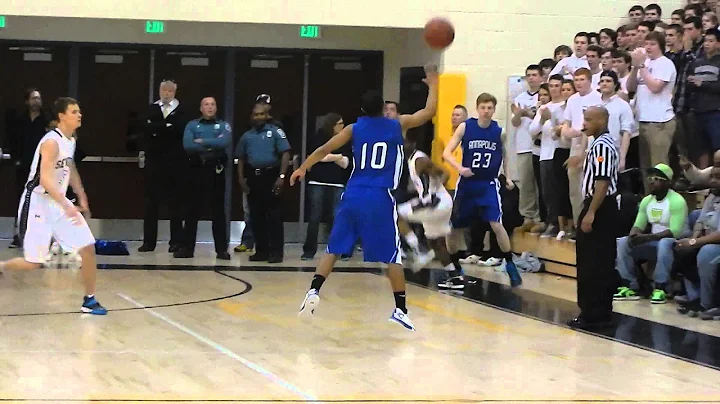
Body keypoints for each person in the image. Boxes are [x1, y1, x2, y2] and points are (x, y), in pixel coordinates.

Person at [291, 65, 439, 331]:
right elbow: (427, 113)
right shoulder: (397, 124)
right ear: (383, 107)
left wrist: (303, 167)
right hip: (380, 196)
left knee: (334, 248)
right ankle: (401, 309)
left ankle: (313, 291)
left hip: (353, 193)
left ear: (361, 110)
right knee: (392, 255)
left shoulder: (353, 129)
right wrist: (434, 84)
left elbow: (324, 148)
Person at [0, 97, 106, 315]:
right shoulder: (51, 141)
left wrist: (81, 194)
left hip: (58, 203)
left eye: (79, 111)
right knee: (33, 263)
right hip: (38, 203)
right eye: (74, 111)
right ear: (61, 116)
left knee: (88, 247)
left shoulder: (70, 140)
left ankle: (90, 299)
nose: (79, 115)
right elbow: (45, 181)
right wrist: (67, 204)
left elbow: (70, 167)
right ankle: (1, 267)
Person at [442, 93, 523, 287]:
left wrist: (508, 176)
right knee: (453, 228)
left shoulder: (499, 131)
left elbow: (505, 156)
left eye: (490, 108)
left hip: (488, 184)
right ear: (477, 109)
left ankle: (509, 263)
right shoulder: (465, 127)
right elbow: (446, 153)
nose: (486, 111)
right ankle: (454, 267)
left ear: (494, 110)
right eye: (483, 108)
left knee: (496, 224)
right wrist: (459, 168)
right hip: (467, 184)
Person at [568, 106, 619, 330]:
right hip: (598, 205)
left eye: (589, 119)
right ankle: (597, 311)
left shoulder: (603, 146)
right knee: (595, 260)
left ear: (601, 120)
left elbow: (603, 181)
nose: (584, 124)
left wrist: (591, 212)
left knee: (593, 262)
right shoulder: (597, 144)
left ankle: (593, 313)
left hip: (600, 207)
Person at [396, 135, 465, 290]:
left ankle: (418, 251)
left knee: (396, 214)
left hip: (436, 203)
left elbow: (435, 176)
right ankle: (455, 278)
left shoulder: (419, 159)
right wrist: (431, 190)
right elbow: (445, 173)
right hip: (441, 202)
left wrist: (430, 195)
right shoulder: (413, 160)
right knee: (436, 243)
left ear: (411, 143)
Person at [614, 164, 688, 303]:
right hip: (653, 243)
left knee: (665, 243)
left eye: (656, 178)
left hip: (676, 245)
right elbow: (638, 225)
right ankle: (631, 286)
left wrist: (647, 237)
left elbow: (675, 232)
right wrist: (634, 235)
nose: (651, 182)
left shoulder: (677, 201)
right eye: (649, 178)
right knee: (623, 242)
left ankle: (661, 287)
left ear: (667, 182)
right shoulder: (647, 201)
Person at [235, 102, 291, 263]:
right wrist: (241, 178)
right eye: (255, 114)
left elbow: (285, 153)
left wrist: (281, 176)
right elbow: (241, 158)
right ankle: (261, 250)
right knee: (256, 215)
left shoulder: (275, 132)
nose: (258, 117)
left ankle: (276, 252)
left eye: (261, 114)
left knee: (273, 215)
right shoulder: (247, 136)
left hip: (271, 175)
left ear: (267, 116)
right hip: (253, 177)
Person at [181, 97, 232, 260]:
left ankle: (222, 250)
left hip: (216, 170)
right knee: (192, 210)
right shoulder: (192, 125)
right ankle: (187, 248)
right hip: (196, 169)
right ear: (200, 108)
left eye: (212, 104)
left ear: (216, 108)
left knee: (218, 211)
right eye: (206, 104)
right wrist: (213, 143)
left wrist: (202, 141)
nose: (210, 107)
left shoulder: (224, 124)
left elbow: (225, 141)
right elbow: (188, 145)